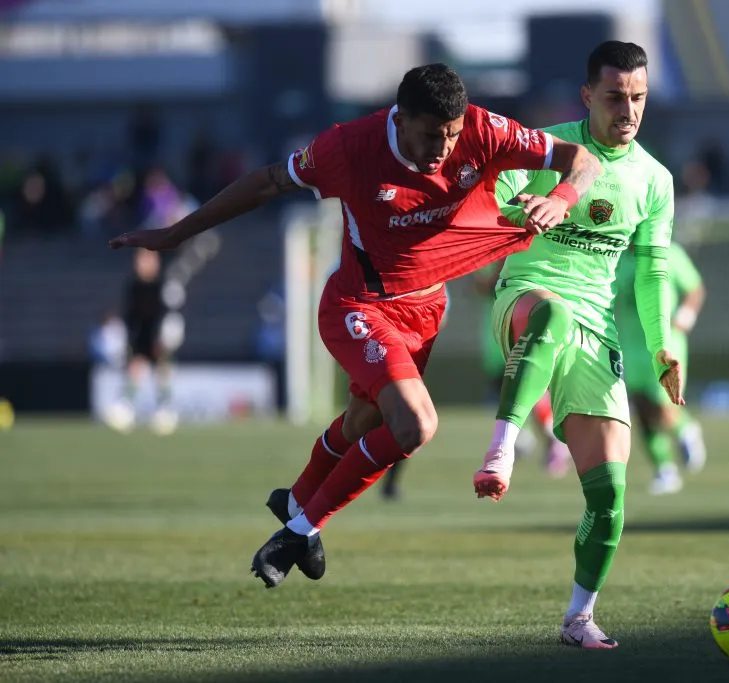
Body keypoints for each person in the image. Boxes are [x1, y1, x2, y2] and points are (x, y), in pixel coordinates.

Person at [109, 63, 601, 590]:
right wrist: (178, 233)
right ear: (401, 118)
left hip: (426, 308)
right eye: (432, 135)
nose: (444, 149)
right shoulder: (349, 148)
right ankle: (300, 529)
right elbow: (270, 181)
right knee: (415, 425)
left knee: (365, 420)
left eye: (452, 135)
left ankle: (297, 500)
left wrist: (561, 198)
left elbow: (583, 160)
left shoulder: (482, 130)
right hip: (359, 305)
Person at [472, 41, 684, 649]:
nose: (628, 110)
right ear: (588, 95)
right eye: (615, 97)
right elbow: (492, 195)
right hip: (527, 298)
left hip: (598, 330)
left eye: (638, 97)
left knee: (611, 496)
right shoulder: (544, 145)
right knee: (554, 317)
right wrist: (522, 208)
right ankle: (503, 445)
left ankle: (578, 617)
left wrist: (664, 345)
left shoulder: (655, 180)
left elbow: (652, 273)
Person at [615, 242, 707, 495]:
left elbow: (694, 288)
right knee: (642, 411)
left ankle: (685, 427)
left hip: (665, 344)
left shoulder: (669, 253)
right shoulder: (618, 257)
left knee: (663, 408)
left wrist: (685, 316)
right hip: (631, 345)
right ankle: (665, 470)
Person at [471, 262, 571, 477]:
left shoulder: (513, 252)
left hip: (518, 327)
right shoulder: (485, 254)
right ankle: (527, 438)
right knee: (505, 388)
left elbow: (492, 285)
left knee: (528, 388)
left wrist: (489, 281)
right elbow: (481, 287)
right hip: (494, 332)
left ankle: (553, 441)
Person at [101, 249, 178, 435]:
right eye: (140, 259)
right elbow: (130, 315)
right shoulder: (133, 286)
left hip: (158, 333)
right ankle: (126, 406)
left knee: (162, 366)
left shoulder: (163, 286)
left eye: (148, 259)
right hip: (139, 334)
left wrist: (165, 334)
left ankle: (165, 408)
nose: (142, 264)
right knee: (137, 365)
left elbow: (168, 313)